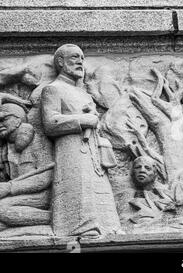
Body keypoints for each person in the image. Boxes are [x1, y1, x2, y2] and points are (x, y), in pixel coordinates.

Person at [40, 44, 121, 237]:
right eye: (75, 57)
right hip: (71, 151)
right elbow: (50, 123)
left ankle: (108, 227)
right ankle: (77, 228)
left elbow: (94, 122)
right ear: (60, 62)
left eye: (82, 58)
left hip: (92, 151)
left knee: (99, 191)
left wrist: (94, 120)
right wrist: (83, 120)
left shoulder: (85, 94)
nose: (80, 62)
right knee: (78, 188)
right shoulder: (53, 89)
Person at [0, 102, 54, 236]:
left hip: (41, 195)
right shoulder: (4, 148)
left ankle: (52, 220)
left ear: (18, 120)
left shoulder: (38, 141)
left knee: (1, 209)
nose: (0, 124)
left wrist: (10, 188)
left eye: (4, 119)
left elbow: (47, 176)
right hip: (15, 197)